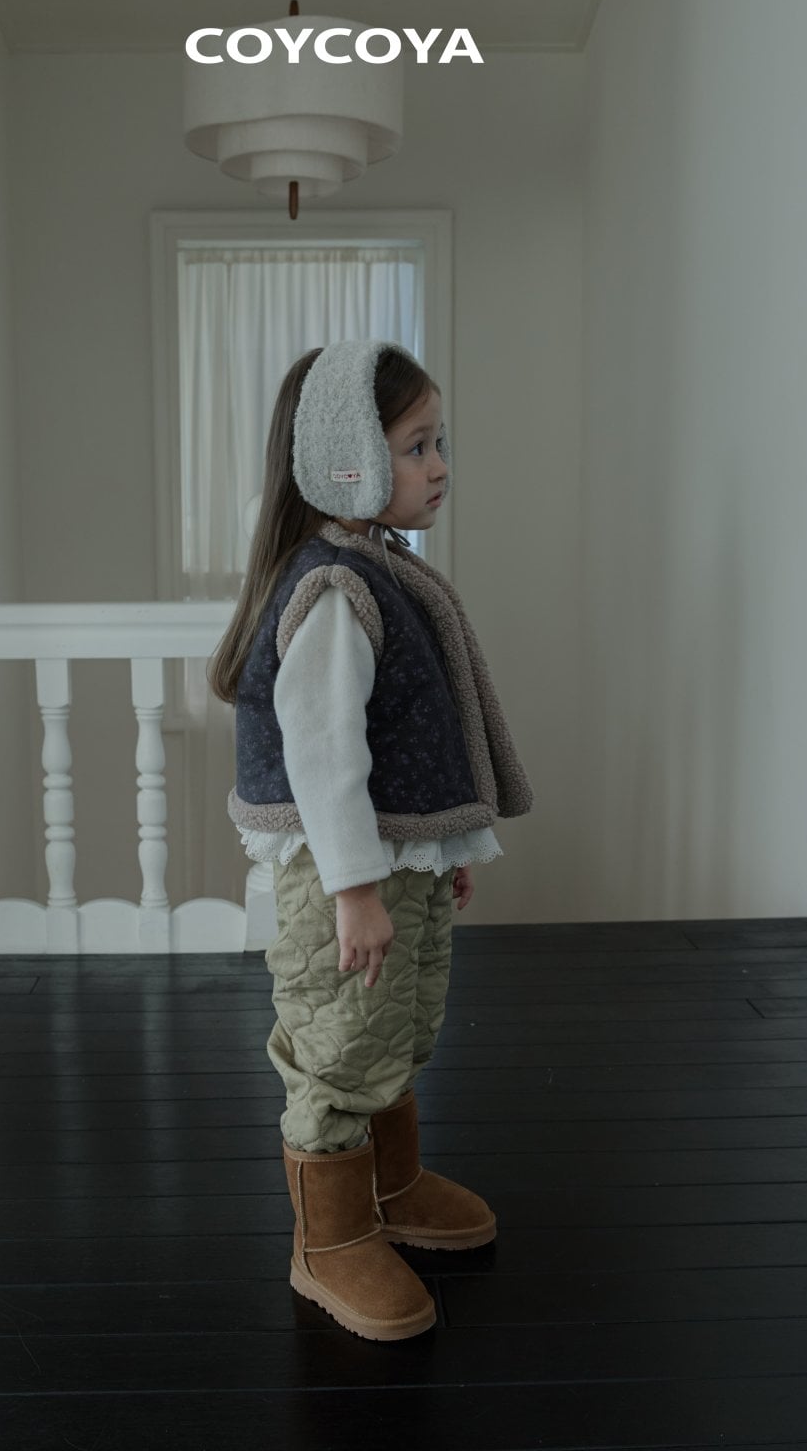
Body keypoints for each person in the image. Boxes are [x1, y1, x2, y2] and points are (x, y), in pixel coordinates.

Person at [206, 338, 533, 1341]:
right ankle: (332, 1236)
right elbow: (324, 758)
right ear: (347, 456)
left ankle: (389, 1186)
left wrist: (441, 852)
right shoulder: (332, 594)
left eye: (439, 443)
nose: (439, 466)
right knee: (339, 1041)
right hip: (343, 876)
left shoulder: (377, 569)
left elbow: (405, 741)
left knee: (393, 1026)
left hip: (393, 865)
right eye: (415, 445)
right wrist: (354, 890)